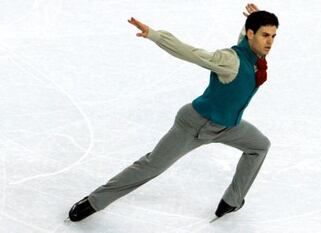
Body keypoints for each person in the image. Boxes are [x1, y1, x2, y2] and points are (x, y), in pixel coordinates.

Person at [68, 3, 278, 222]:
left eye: (273, 35)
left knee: (259, 146)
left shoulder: (253, 57)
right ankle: (94, 201)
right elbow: (191, 53)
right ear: (252, 34)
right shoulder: (230, 60)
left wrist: (252, 23)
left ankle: (232, 201)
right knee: (150, 166)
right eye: (265, 35)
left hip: (228, 126)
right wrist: (155, 35)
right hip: (195, 124)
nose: (270, 42)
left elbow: (245, 45)